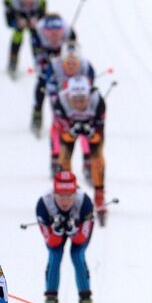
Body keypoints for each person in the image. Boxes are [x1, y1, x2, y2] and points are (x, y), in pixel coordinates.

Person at [36, 170, 95, 303]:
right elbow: (51, 242)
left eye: (69, 196)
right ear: (53, 193)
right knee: (55, 256)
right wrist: (56, 231)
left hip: (78, 230)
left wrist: (73, 230)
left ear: (75, 192)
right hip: (55, 232)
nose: (65, 201)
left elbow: (81, 239)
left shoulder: (84, 203)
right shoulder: (44, 205)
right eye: (60, 196)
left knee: (77, 255)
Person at [53, 76, 108, 221]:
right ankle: (70, 194)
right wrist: (72, 132)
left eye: (82, 99)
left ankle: (99, 195)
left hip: (92, 127)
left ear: (89, 96)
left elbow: (99, 134)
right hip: (69, 128)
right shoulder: (61, 102)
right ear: (69, 96)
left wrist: (91, 132)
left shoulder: (98, 102)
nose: (78, 104)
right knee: (64, 158)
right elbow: (63, 134)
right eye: (75, 100)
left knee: (98, 158)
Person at [47, 41, 95, 176]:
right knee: (58, 127)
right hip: (61, 100)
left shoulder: (86, 67)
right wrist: (56, 98)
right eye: (68, 62)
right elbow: (49, 84)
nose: (72, 66)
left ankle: (87, 157)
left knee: (85, 126)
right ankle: (56, 157)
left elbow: (91, 86)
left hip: (80, 101)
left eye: (75, 62)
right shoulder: (54, 66)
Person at [29, 12, 75, 135]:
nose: (54, 38)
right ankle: (37, 111)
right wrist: (46, 68)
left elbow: (74, 54)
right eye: (50, 34)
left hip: (63, 57)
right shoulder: (37, 34)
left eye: (57, 34)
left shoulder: (69, 33)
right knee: (43, 81)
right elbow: (37, 56)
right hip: (45, 55)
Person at [3, 0, 47, 78]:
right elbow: (8, 21)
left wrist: (37, 20)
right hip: (18, 15)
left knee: (36, 37)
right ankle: (12, 62)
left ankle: (40, 63)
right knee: (18, 34)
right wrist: (17, 22)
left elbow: (44, 18)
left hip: (34, 16)